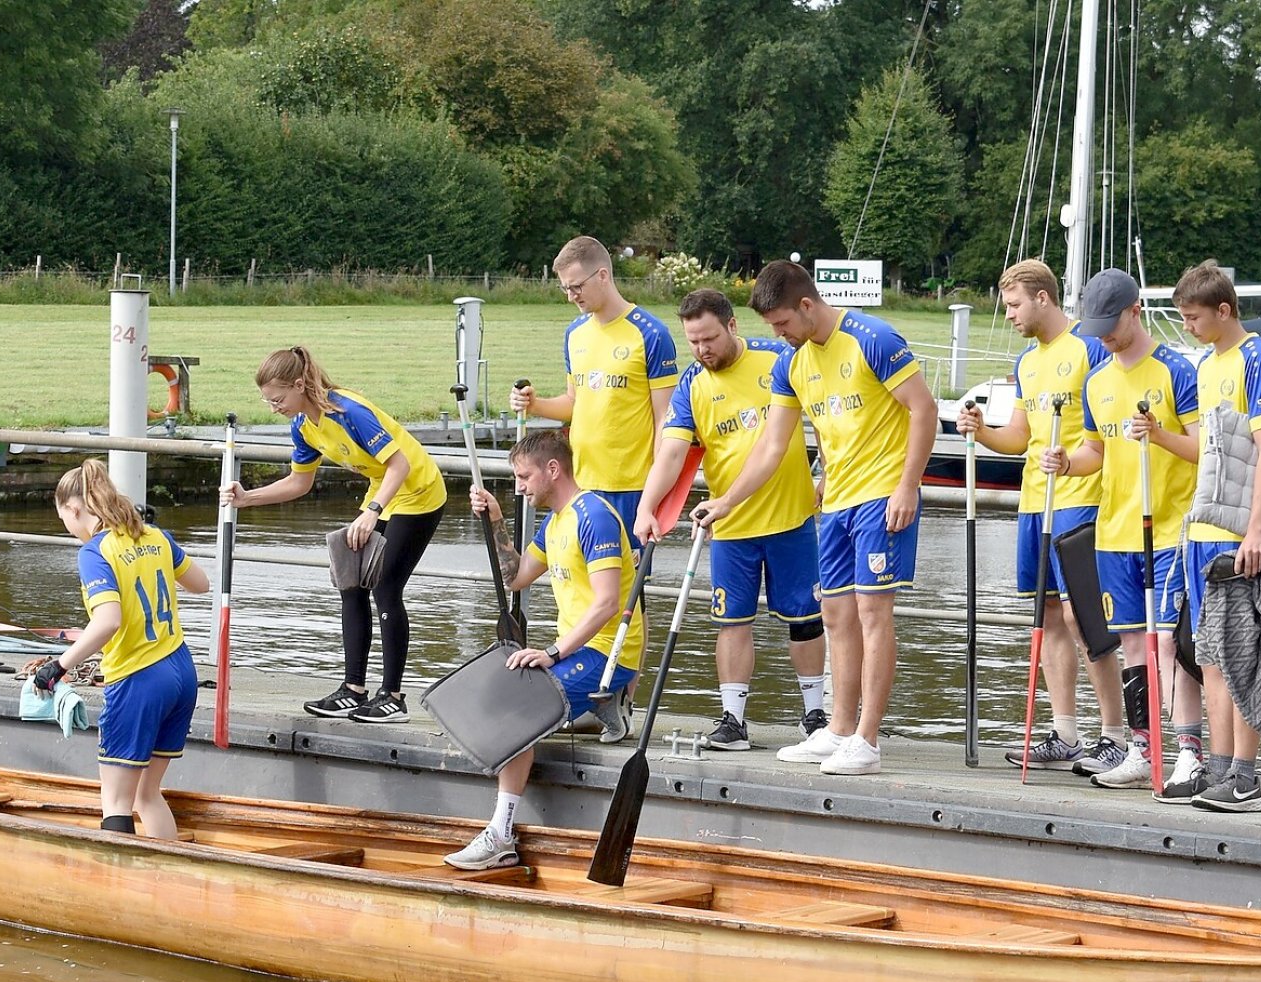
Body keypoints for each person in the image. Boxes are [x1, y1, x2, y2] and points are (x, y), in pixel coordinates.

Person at [693, 260, 936, 776]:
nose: (777, 335)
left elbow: (923, 408)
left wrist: (908, 485)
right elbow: (773, 445)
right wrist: (727, 501)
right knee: (834, 615)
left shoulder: (872, 337)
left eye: (781, 324)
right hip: (839, 501)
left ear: (806, 306)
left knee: (873, 614)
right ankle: (840, 729)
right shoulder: (793, 361)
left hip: (882, 496)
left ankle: (867, 739)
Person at [635, 288, 825, 752]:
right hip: (731, 526)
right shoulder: (692, 384)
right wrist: (646, 505)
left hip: (791, 515)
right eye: (694, 342)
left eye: (710, 339)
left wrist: (826, 471)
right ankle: (733, 720)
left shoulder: (779, 358)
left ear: (733, 325)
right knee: (732, 621)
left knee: (806, 618)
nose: (703, 351)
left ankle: (816, 715)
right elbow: (673, 452)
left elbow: (822, 417)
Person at [957, 259, 1125, 773]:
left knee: (1083, 617)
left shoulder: (1090, 347)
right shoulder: (1028, 362)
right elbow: (1020, 437)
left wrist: (1079, 466)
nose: (1008, 314)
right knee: (1047, 616)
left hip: (1079, 498)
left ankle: (1115, 733)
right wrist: (982, 430)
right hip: (1035, 502)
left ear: (1043, 299)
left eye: (1013, 305)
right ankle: (1064, 733)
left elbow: (1105, 428)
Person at [448, 430, 643, 870]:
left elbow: (608, 602)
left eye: (523, 477)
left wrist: (552, 653)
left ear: (553, 469)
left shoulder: (593, 516)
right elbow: (515, 576)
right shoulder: (556, 523)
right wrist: (495, 520)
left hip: (608, 652)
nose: (519, 487)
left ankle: (500, 835)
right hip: (578, 651)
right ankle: (606, 706)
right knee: (501, 691)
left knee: (516, 714)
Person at [221, 345, 447, 722]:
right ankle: (353, 689)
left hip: (419, 490)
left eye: (277, 399)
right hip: (384, 489)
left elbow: (400, 464)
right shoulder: (303, 427)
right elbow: (298, 483)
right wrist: (247, 499)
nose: (273, 408)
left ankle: (392, 697)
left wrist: (371, 513)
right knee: (351, 581)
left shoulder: (350, 412)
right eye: (268, 401)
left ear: (298, 385)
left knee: (386, 587)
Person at [1040, 267, 1202, 791]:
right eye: (1097, 326)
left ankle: (1187, 751)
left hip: (1169, 527)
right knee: (1132, 644)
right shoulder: (1097, 380)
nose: (1105, 335)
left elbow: (1204, 449)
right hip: (1113, 532)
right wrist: (1067, 463)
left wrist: (1158, 436)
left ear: (1136, 310)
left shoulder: (1177, 370)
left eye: (1112, 323)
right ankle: (1141, 748)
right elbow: (1096, 452)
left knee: (1165, 645)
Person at [1165, 261, 1261, 811]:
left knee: (1240, 657)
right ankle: (1219, 771)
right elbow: (1209, 455)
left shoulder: (1256, 357)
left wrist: (1256, 531)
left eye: (1193, 317)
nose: (1187, 326)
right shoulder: (1207, 362)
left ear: (1224, 310)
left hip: (1237, 535)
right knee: (1209, 657)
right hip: (1202, 531)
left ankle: (1246, 776)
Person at [34, 459, 210, 839]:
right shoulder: (154, 536)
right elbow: (201, 583)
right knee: (147, 795)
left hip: (138, 678)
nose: (66, 527)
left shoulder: (95, 552)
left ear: (74, 508)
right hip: (181, 672)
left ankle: (120, 890)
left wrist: (58, 666)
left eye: (62, 517)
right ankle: (169, 878)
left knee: (115, 801)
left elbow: (108, 621)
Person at [509, 236, 679, 544]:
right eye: (565, 288)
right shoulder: (574, 333)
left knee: (626, 590)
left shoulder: (651, 333)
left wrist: (652, 498)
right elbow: (574, 402)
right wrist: (535, 404)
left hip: (630, 488)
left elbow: (664, 420)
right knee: (579, 584)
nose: (571, 296)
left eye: (576, 287)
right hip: (580, 484)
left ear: (602, 275)